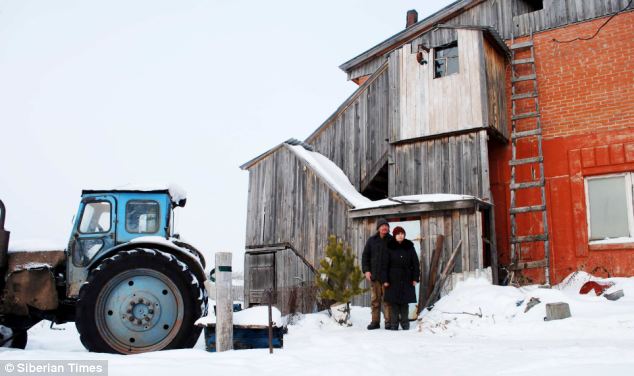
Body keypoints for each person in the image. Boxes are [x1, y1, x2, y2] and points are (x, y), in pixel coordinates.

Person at [381, 226, 420, 330]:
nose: (400, 235)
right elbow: (384, 265)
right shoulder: (389, 246)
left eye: (402, 233)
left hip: (407, 277)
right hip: (392, 278)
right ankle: (394, 324)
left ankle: (405, 323)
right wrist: (385, 280)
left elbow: (415, 263)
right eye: (398, 234)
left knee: (404, 302)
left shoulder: (409, 246)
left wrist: (415, 278)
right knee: (394, 303)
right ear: (394, 235)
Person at [361, 218, 392, 330]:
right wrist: (366, 270)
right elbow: (365, 257)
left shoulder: (392, 241)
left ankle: (389, 322)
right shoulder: (372, 240)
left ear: (388, 228)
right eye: (382, 226)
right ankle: (375, 322)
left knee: (388, 300)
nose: (384, 227)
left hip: (388, 277)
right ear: (378, 228)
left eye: (386, 225)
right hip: (375, 276)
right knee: (375, 301)